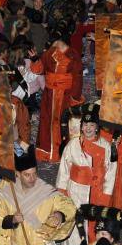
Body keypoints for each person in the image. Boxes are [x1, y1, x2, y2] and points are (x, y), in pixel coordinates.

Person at [56, 103, 117, 245]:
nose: (88, 128)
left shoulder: (106, 146)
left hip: (97, 193)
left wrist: (106, 195)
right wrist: (62, 191)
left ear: (97, 127)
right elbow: (64, 170)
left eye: (92, 124)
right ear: (81, 126)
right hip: (76, 192)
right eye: (85, 124)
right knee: (76, 223)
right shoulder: (72, 145)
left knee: (94, 224)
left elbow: (110, 173)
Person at [31, 28, 83, 162]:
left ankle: (64, 152)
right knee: (48, 121)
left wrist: (74, 97)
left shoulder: (73, 55)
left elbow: (77, 77)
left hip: (65, 94)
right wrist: (35, 59)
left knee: (64, 122)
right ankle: (49, 152)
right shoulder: (49, 53)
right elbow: (39, 70)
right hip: (50, 94)